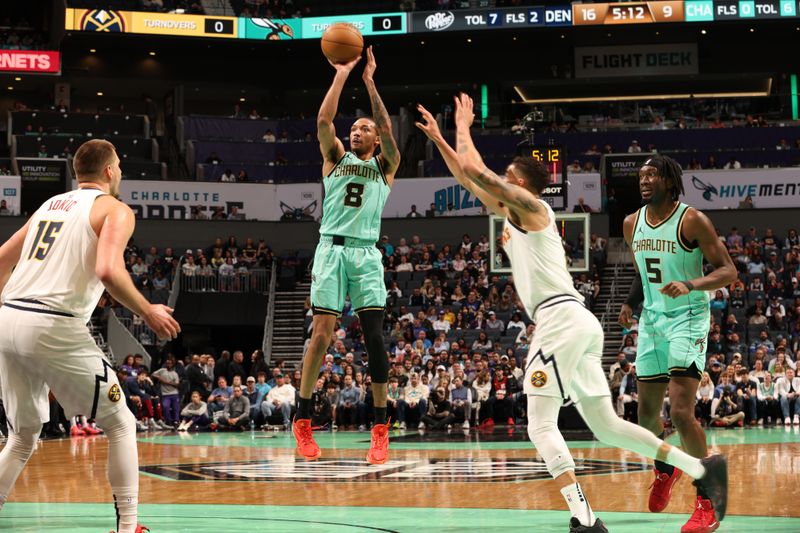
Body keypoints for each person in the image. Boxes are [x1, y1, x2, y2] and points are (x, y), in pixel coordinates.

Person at [415, 96, 727, 533]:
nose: (503, 182)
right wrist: (442, 143)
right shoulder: (514, 214)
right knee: (608, 427)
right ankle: (701, 471)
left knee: (539, 425)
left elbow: (477, 172)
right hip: (576, 322)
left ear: (525, 185)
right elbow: (470, 181)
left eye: (511, 178)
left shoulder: (536, 209)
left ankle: (583, 517)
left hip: (560, 321)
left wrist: (463, 128)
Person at [0, 139, 179, 533]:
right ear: (111, 171)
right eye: (120, 169)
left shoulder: (48, 205)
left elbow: (1, 260)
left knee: (22, 436)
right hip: (51, 322)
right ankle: (128, 525)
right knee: (120, 423)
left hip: (8, 318)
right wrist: (147, 310)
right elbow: (108, 271)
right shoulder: (115, 209)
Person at [293, 47, 400, 465]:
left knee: (374, 339)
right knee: (321, 335)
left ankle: (379, 428)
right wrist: (341, 74)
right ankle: (302, 420)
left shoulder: (386, 166)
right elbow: (323, 121)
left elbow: (390, 129)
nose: (356, 131)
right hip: (331, 249)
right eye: (353, 127)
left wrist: (370, 81)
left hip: (365, 254)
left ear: (375, 139)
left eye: (363, 129)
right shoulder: (335, 158)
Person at [619, 153, 737, 532]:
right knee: (646, 416)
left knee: (682, 412)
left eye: (652, 174)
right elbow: (643, 270)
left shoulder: (692, 220)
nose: (644, 180)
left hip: (688, 317)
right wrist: (629, 303)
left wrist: (690, 284)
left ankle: (707, 499)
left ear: (670, 181)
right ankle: (664, 468)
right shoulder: (630, 223)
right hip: (652, 320)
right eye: (641, 175)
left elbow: (728, 271)